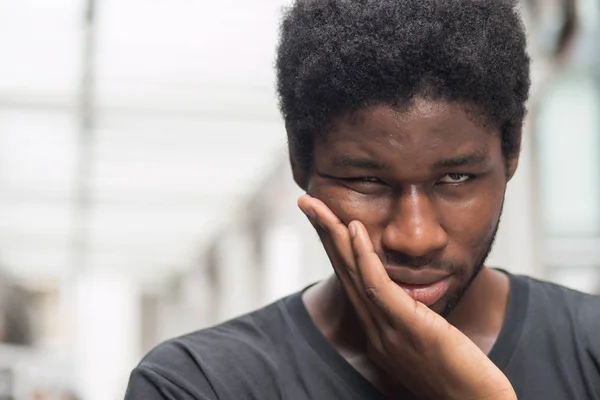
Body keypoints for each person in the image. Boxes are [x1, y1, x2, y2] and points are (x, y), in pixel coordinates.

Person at [125, 0, 600, 399]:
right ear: (300, 158)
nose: (415, 237)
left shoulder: (590, 348)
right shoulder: (199, 384)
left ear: (512, 150)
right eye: (367, 181)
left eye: (456, 177)